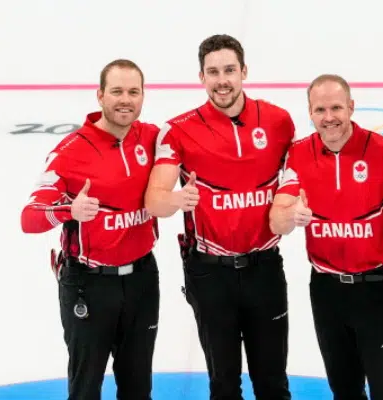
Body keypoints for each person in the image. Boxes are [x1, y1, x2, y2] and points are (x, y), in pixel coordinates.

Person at [144, 34, 296, 399]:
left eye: (229, 70)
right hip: (210, 274)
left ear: (244, 71)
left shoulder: (278, 122)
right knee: (224, 384)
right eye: (213, 72)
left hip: (264, 267)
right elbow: (154, 200)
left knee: (273, 383)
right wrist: (178, 199)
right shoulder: (178, 130)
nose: (222, 80)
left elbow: (295, 182)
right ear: (201, 77)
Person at [20, 59, 162, 400]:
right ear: (99, 96)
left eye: (133, 92)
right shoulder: (70, 152)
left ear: (143, 96)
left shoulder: (153, 137)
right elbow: (29, 217)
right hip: (89, 284)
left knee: (138, 386)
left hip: (142, 278)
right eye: (116, 91)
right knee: (85, 389)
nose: (125, 100)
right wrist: (70, 210)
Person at [269, 74, 383, 400]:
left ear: (351, 107)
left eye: (336, 108)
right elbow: (277, 219)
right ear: (310, 112)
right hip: (327, 291)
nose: (328, 118)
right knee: (343, 388)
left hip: (378, 290)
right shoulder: (299, 154)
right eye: (320, 110)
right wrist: (290, 215)